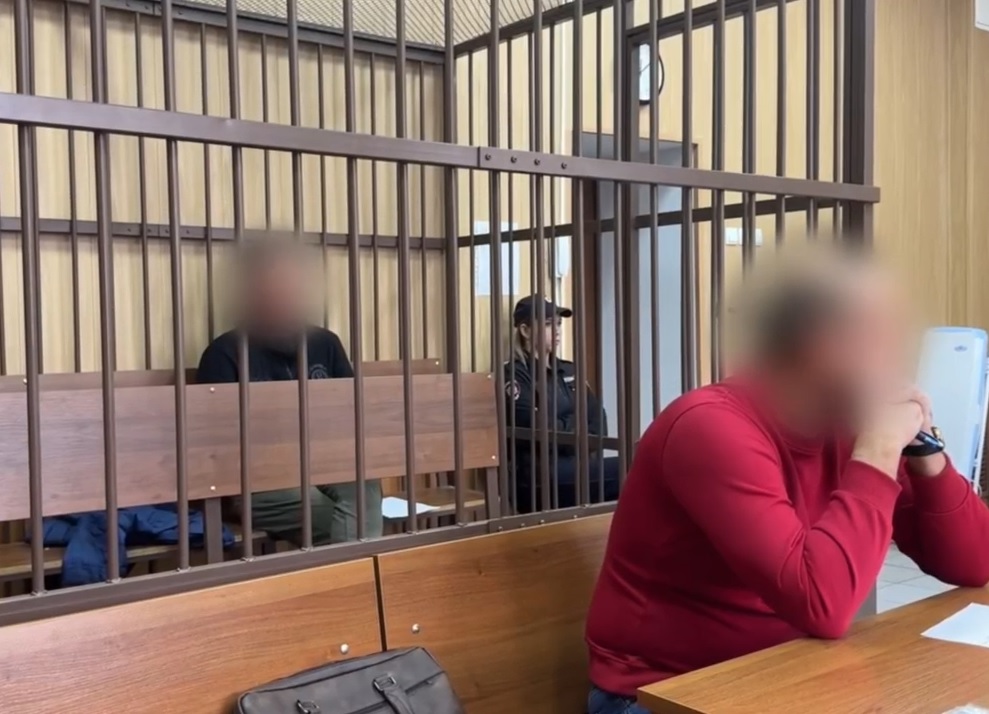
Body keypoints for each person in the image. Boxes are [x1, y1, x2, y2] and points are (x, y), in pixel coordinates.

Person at [585, 246, 989, 714]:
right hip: (666, 694)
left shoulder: (848, 417)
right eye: (876, 334)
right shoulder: (710, 427)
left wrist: (923, 449)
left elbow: (976, 562)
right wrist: (877, 451)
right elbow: (823, 604)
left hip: (793, 673)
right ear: (814, 343)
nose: (897, 353)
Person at [196, 239, 383, 546]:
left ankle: (348, 571)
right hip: (259, 481)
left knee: (364, 488)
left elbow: (351, 416)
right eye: (275, 285)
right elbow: (215, 447)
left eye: (292, 286)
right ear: (253, 294)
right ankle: (357, 572)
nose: (285, 295)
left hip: (325, 465)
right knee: (343, 519)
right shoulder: (224, 353)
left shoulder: (326, 344)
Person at [503, 295, 619, 513]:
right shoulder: (515, 375)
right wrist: (577, 427)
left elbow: (599, 423)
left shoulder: (569, 370)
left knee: (634, 468)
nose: (557, 330)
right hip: (538, 476)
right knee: (628, 468)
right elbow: (539, 430)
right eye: (548, 324)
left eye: (558, 323)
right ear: (525, 331)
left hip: (577, 465)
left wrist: (563, 426)